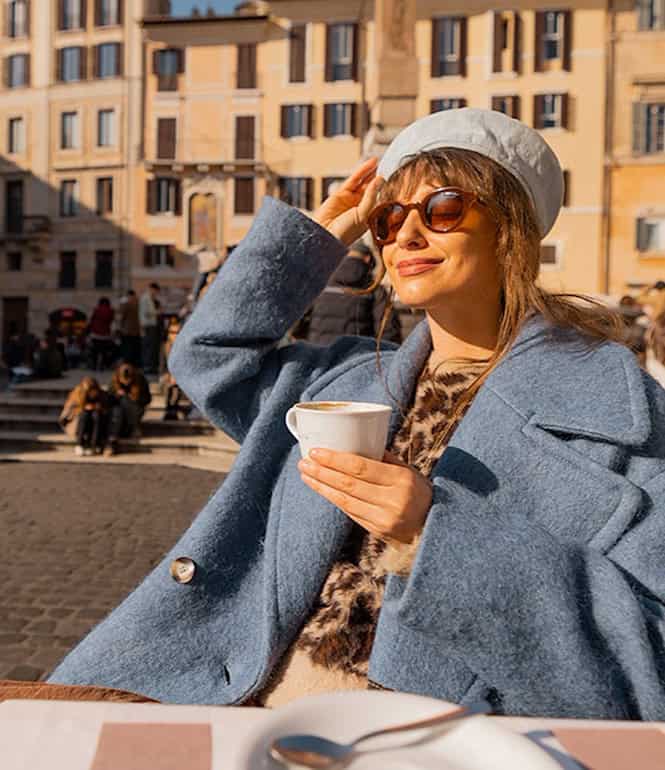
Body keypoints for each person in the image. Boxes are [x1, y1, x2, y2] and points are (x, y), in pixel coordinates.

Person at [37, 109, 665, 719]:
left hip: (426, 738)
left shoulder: (618, 412)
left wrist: (436, 536)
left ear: (511, 227)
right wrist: (311, 243)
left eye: (444, 208)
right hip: (234, 703)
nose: (407, 235)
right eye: (388, 219)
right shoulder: (346, 375)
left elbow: (648, 661)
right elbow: (207, 359)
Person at [300, 240, 402, 345]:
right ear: (367, 259)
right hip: (358, 356)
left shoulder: (320, 284)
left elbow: (298, 321)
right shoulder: (374, 289)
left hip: (317, 353)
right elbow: (388, 332)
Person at [106, 362, 152, 455]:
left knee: (124, 401)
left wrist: (133, 397)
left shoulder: (140, 380)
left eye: (128, 380)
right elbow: (108, 401)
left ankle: (112, 441)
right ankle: (113, 439)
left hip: (134, 410)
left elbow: (147, 399)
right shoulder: (114, 382)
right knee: (118, 410)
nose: (126, 383)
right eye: (123, 380)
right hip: (118, 415)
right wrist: (116, 395)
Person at [59, 376, 108, 456]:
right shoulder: (77, 393)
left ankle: (93, 445)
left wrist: (97, 408)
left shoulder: (102, 395)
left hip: (95, 423)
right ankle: (79, 444)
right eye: (89, 391)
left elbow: (106, 411)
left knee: (96, 415)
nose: (92, 394)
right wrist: (83, 408)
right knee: (84, 415)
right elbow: (68, 411)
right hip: (77, 422)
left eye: (93, 391)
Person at [88, 298, 116, 371]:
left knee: (95, 351)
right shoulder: (111, 311)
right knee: (103, 352)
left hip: (95, 334)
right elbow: (111, 320)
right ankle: (102, 366)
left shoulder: (96, 310)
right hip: (105, 335)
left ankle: (94, 366)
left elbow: (91, 320)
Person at [139, 283, 161, 374]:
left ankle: (150, 366)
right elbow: (146, 312)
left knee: (151, 347)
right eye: (156, 291)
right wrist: (157, 312)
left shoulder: (149, 298)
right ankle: (147, 367)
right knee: (149, 347)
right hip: (148, 325)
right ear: (152, 289)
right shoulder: (146, 298)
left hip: (150, 325)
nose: (156, 293)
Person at [117, 290, 142, 368]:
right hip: (136, 330)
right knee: (135, 348)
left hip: (127, 330)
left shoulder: (126, 304)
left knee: (127, 348)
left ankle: (127, 364)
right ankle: (134, 364)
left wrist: (120, 327)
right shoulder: (138, 304)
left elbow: (121, 317)